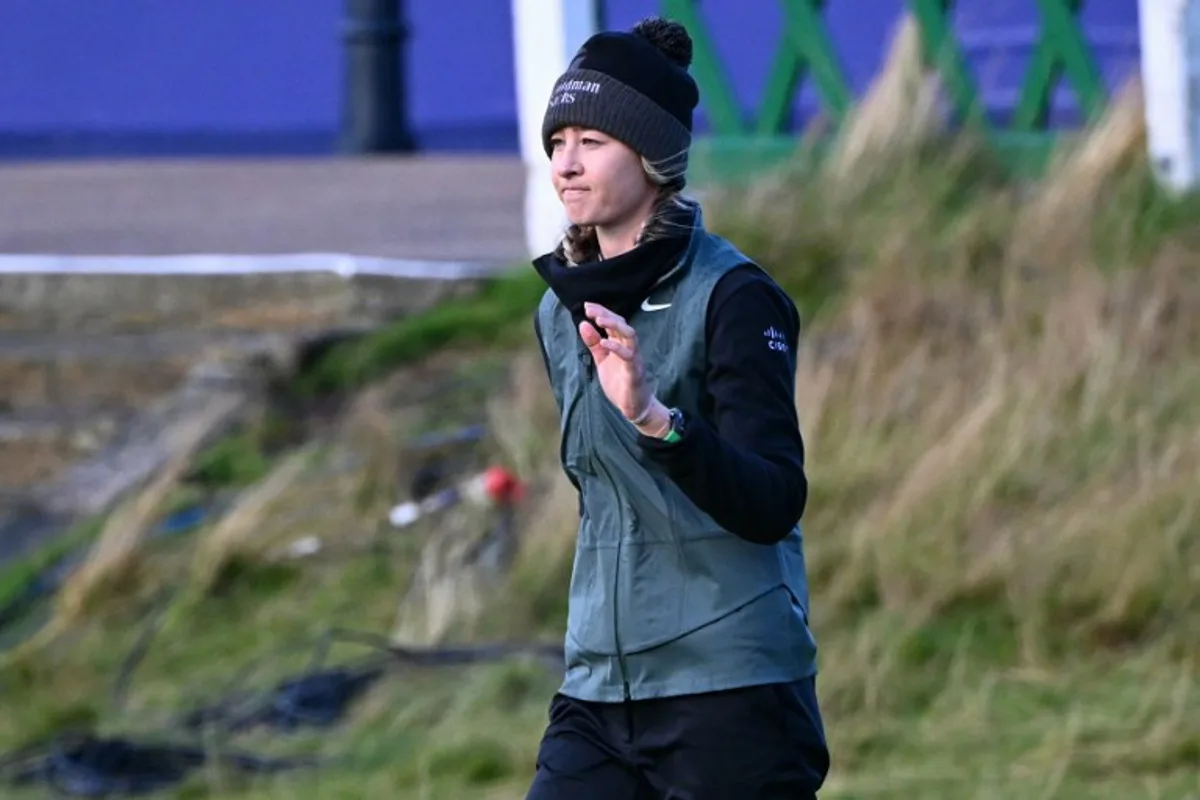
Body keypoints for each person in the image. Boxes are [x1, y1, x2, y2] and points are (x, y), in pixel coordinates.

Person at [527, 16, 831, 800]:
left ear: (654, 156)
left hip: (730, 687)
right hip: (598, 689)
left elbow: (772, 499)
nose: (566, 163)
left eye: (592, 141)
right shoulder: (558, 311)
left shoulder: (735, 296)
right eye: (557, 140)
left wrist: (656, 418)